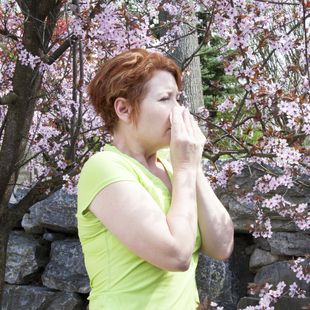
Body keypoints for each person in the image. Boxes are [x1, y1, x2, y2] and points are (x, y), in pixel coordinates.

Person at [76, 48, 234, 310]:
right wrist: (185, 168)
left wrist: (192, 167)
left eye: (178, 99)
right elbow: (176, 255)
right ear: (124, 109)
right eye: (165, 100)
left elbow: (221, 245)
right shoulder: (104, 168)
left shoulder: (172, 163)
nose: (179, 112)